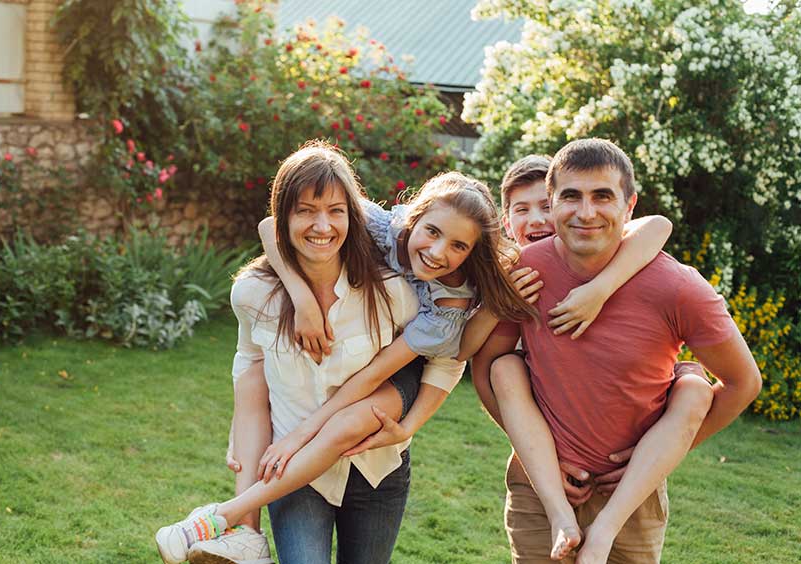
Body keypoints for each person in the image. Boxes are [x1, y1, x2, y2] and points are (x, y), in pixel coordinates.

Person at [156, 142, 479, 564]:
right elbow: (249, 368)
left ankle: (220, 518)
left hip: (375, 467)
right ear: (284, 215)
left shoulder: (393, 291)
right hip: (290, 476)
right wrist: (300, 297)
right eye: (305, 210)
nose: (321, 225)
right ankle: (233, 526)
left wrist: (410, 424)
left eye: (334, 211)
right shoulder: (252, 293)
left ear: (352, 215)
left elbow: (446, 359)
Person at [473, 139, 762, 563]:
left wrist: (662, 453)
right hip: (539, 490)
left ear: (629, 206)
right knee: (506, 368)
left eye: (602, 196)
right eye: (571, 196)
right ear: (552, 204)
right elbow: (487, 369)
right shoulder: (525, 271)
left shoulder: (677, 288)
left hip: (632, 500)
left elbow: (743, 383)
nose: (586, 212)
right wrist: (544, 460)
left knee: (694, 386)